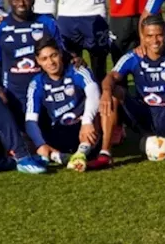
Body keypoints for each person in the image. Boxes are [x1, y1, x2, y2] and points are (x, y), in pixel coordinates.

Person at [100, 15, 165, 171]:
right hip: (143, 116)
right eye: (149, 36)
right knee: (114, 92)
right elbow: (111, 76)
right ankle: (105, 154)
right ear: (142, 37)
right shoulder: (134, 57)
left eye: (159, 35)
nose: (155, 41)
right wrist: (106, 92)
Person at [25, 37, 108, 171]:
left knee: (101, 108)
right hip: (58, 131)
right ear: (38, 61)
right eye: (44, 59)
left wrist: (87, 122)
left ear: (60, 54)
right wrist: (40, 144)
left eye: (53, 55)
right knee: (27, 137)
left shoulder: (77, 71)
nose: (51, 62)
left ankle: (81, 153)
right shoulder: (37, 83)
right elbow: (30, 120)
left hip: (85, 130)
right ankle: (62, 157)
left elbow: (94, 93)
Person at [0, 0, 63, 121]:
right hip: (13, 95)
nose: (21, 3)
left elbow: (61, 54)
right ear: (9, 1)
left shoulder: (48, 23)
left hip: (45, 91)